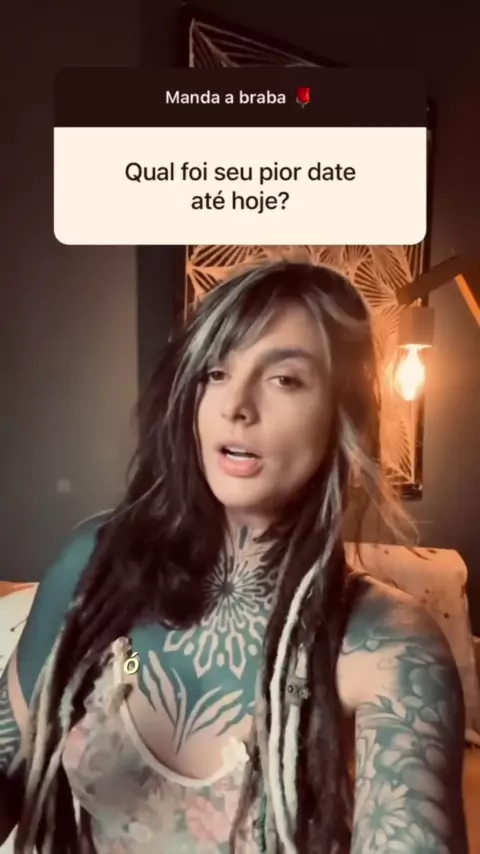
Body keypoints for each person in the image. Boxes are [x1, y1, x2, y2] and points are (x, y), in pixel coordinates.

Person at [0, 261, 468, 854]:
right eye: (217, 372)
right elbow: (11, 760)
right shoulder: (94, 567)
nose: (237, 405)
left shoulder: (389, 644)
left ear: (342, 413)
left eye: (285, 379)